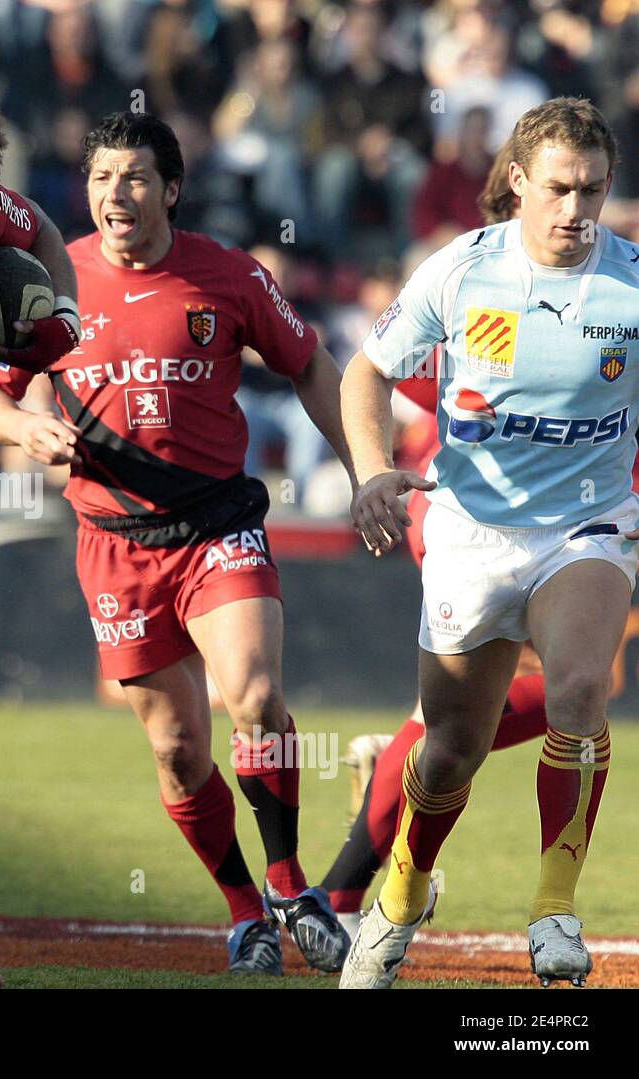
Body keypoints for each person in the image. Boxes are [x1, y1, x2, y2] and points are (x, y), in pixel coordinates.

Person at [0, 112, 352, 975]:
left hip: (219, 524)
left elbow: (312, 365)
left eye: (134, 177)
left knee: (252, 694)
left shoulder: (230, 273)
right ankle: (246, 910)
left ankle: (289, 882)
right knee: (178, 750)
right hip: (114, 543)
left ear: (170, 190)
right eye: (102, 177)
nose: (116, 194)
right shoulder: (47, 278)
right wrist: (24, 429)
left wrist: (364, 469)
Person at [339, 98, 635, 989]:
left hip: (588, 525)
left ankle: (553, 909)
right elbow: (366, 369)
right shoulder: (461, 273)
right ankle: (400, 894)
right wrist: (371, 470)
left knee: (583, 685)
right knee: (450, 751)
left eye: (592, 190)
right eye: (559, 188)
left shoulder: (632, 283)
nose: (576, 209)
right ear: (517, 180)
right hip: (472, 534)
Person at [316, 137, 555, 947]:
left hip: (566, 519)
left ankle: (397, 772)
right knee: (517, 702)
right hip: (467, 515)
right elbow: (382, 370)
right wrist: (378, 466)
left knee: (545, 698)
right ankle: (344, 890)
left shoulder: (596, 294)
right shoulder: (472, 286)